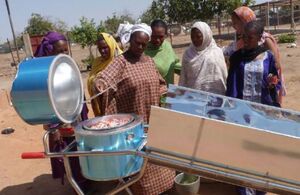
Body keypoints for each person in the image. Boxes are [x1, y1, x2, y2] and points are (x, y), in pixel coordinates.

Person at [94, 23, 175, 195]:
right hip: (134, 129)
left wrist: (172, 97)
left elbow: (160, 84)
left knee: (161, 166)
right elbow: (103, 79)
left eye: (144, 44)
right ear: (130, 39)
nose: (140, 47)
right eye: (137, 42)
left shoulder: (149, 61)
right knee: (141, 174)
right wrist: (99, 85)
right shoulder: (121, 62)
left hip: (154, 123)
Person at [35, 31, 88, 187]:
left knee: (80, 149)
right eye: (60, 51)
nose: (64, 53)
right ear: (50, 50)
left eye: (66, 50)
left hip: (76, 115)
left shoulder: (68, 64)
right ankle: (78, 184)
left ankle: (85, 179)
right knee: (68, 153)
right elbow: (43, 101)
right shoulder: (43, 72)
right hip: (58, 121)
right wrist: (53, 128)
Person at [223, 6, 286, 105]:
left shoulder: (268, 56)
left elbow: (274, 77)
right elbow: (232, 86)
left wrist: (271, 82)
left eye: (250, 38)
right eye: (244, 37)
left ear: (259, 38)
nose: (246, 40)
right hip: (242, 108)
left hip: (264, 108)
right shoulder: (236, 57)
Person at [179, 21, 227, 95]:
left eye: (198, 36)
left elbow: (223, 76)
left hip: (215, 98)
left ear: (206, 35)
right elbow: (183, 79)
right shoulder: (188, 54)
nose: (195, 40)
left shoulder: (216, 52)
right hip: (193, 98)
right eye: (192, 37)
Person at [87, 33, 122, 116]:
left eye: (105, 47)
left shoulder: (121, 60)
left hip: (117, 106)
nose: (102, 51)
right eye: (100, 48)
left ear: (112, 45)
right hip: (99, 104)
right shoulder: (97, 62)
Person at [144, 19, 181, 84]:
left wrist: (189, 69)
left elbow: (174, 64)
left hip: (169, 90)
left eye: (161, 37)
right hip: (154, 91)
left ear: (165, 35)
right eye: (154, 36)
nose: (157, 40)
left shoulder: (167, 46)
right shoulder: (144, 50)